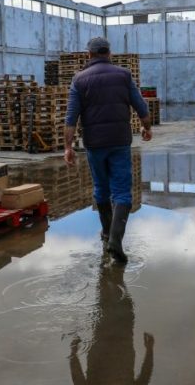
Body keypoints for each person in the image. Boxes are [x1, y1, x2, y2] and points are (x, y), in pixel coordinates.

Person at [64, 37, 152, 264]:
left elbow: (71, 117)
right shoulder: (123, 75)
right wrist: (146, 127)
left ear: (89, 55)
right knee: (122, 192)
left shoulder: (79, 80)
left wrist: (68, 147)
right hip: (119, 142)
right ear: (108, 53)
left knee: (101, 189)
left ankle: (106, 234)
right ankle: (115, 240)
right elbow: (141, 105)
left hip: (94, 144)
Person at [69, 264, 155, 385]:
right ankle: (110, 265)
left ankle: (108, 264)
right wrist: (149, 350)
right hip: (118, 341)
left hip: (108, 341)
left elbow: (77, 379)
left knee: (109, 298)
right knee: (114, 298)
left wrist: (73, 354)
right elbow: (145, 377)